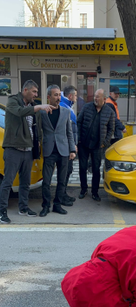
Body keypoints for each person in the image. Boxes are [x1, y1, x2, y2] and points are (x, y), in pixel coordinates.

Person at [0, 80, 54, 224]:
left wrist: (38, 144)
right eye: (34, 92)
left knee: (25, 182)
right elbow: (19, 112)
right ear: (25, 90)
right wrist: (38, 108)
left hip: (28, 150)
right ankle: (2, 211)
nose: (36, 95)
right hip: (13, 149)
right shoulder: (13, 101)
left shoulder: (32, 106)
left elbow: (36, 129)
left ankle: (23, 208)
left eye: (37, 92)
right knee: (8, 182)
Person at [37, 85, 76, 216]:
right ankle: (46, 206)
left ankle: (57, 205)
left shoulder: (66, 112)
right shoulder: (42, 112)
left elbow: (69, 132)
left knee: (62, 180)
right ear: (48, 97)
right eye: (55, 95)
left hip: (63, 151)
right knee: (46, 182)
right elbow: (38, 132)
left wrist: (72, 149)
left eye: (59, 95)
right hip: (49, 151)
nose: (58, 97)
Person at [77, 89, 115, 201]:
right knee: (82, 168)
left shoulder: (109, 112)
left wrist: (105, 142)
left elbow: (111, 129)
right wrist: (78, 139)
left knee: (96, 169)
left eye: (98, 97)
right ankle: (83, 189)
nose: (95, 98)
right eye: (95, 96)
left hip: (98, 146)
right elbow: (79, 122)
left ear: (104, 99)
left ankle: (95, 192)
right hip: (83, 144)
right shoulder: (86, 107)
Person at [60, 86, 78, 201]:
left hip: (68, 147)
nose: (77, 98)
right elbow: (66, 131)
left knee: (68, 170)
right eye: (75, 95)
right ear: (70, 96)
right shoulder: (64, 108)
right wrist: (72, 147)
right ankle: (61, 196)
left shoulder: (67, 107)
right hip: (66, 148)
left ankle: (63, 194)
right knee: (65, 171)